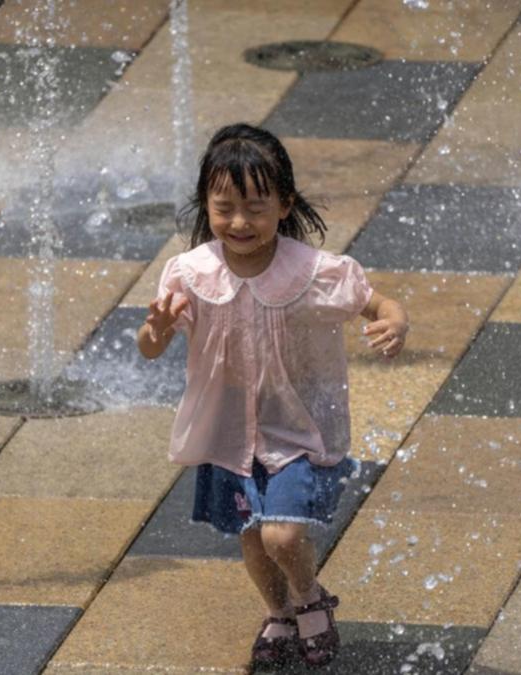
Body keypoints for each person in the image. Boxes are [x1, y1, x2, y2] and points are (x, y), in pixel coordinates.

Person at [136, 123, 408, 669]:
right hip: (229, 433)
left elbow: (379, 304)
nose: (240, 222)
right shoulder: (191, 273)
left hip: (297, 429)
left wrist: (395, 323)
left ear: (285, 204)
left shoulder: (310, 272)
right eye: (225, 207)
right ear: (205, 205)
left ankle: (309, 598)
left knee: (283, 536)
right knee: (253, 541)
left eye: (256, 207)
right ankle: (278, 614)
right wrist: (157, 331)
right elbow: (148, 348)